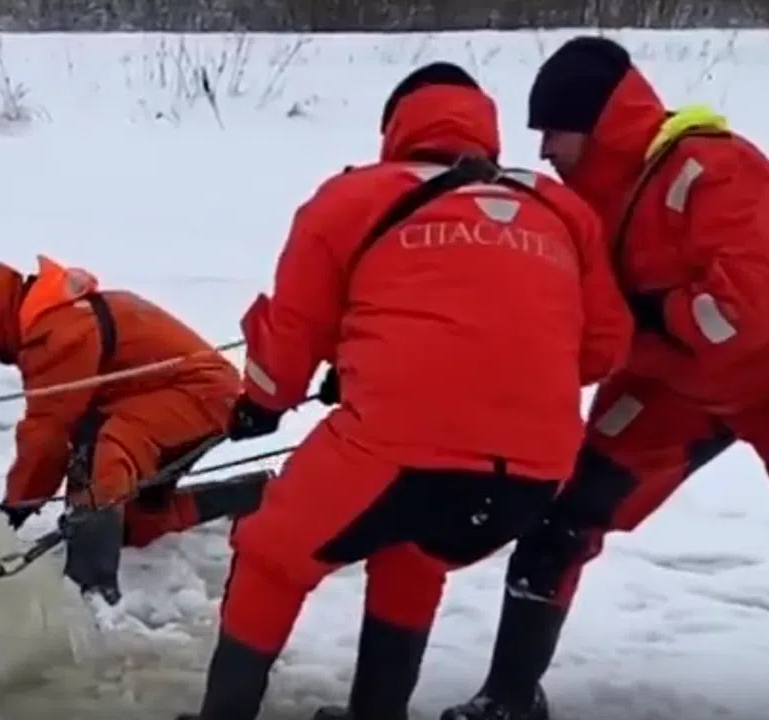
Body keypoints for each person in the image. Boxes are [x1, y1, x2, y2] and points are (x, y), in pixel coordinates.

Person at [177, 61, 633, 720]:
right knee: (412, 550)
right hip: (536, 471)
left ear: (395, 126)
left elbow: (290, 342)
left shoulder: (351, 198)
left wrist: (262, 405)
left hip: (397, 443)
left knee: (271, 552)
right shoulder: (561, 210)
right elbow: (603, 348)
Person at [442, 36, 769, 720]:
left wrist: (648, 317)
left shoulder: (712, 169)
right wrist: (473, 187)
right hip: (672, 390)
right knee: (560, 527)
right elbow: (538, 243)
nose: (546, 152)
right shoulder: (588, 200)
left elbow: (742, 314)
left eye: (555, 132)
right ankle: (507, 699)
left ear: (597, 124)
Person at [0, 255, 270, 605]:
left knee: (102, 456)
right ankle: (257, 495)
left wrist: (14, 510)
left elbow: (48, 432)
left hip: (198, 394)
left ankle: (90, 593)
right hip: (174, 395)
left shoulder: (57, 330)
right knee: (129, 522)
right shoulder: (51, 318)